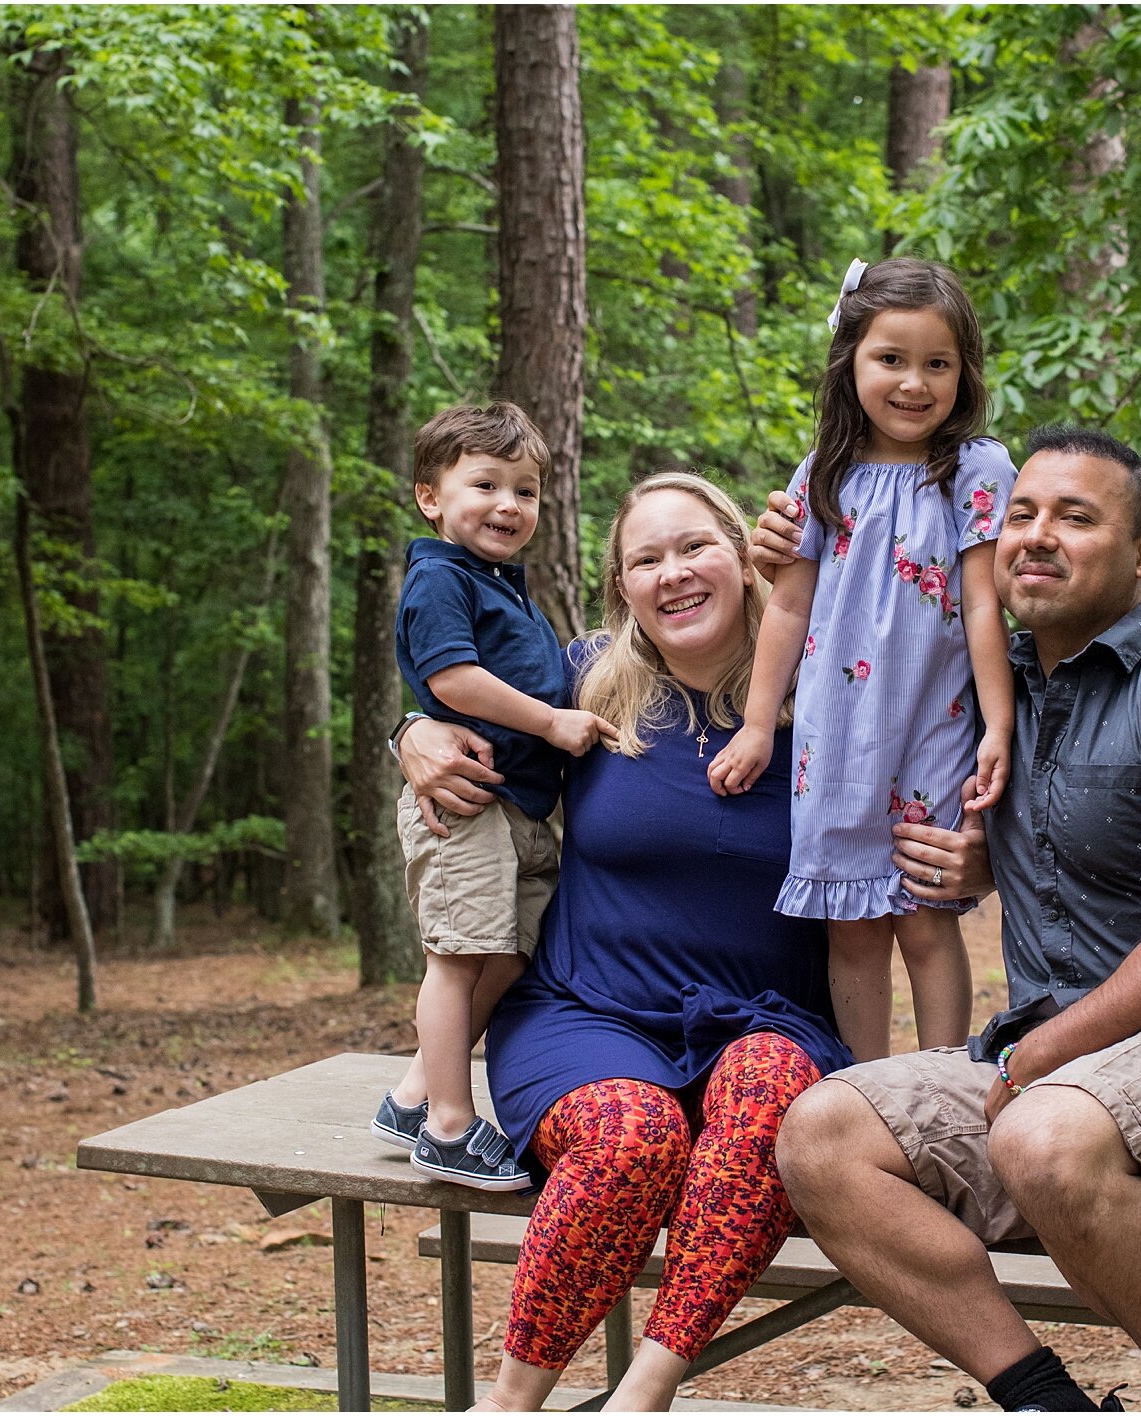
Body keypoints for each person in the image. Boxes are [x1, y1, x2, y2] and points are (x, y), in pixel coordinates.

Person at [765, 425, 1141, 1413]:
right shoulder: (993, 700)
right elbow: (822, 641)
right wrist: (771, 553)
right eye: (1021, 514)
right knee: (821, 1132)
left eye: (1076, 518)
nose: (1036, 536)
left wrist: (1033, 1059)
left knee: (1040, 1137)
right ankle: (1044, 1400)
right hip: (1061, 1070)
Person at [397, 472, 981, 1411]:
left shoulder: (834, 695)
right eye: (645, 559)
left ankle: (646, 1392)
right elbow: (457, 700)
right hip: (587, 1013)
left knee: (762, 1102)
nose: (673, 573)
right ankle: (508, 1403)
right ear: (622, 586)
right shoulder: (584, 683)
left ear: (745, 557)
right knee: (632, 1140)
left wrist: (975, 855)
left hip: (774, 1019)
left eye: (694, 546)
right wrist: (410, 731)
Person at [708, 257, 1018, 1063]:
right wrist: (756, 728)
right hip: (833, 737)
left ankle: (943, 1084)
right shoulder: (824, 474)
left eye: (937, 364)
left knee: (924, 916)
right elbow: (787, 604)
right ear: (851, 361)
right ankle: (868, 1093)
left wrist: (1000, 722)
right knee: (852, 931)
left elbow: (985, 603)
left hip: (931, 726)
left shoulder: (976, 470)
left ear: (964, 374)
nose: (914, 383)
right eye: (892, 359)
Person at [375, 401, 616, 1192]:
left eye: (527, 490)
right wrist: (552, 722)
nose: (510, 505)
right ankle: (448, 1125)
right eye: (485, 484)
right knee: (458, 957)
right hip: (471, 803)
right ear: (430, 497)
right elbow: (452, 679)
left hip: (517, 809)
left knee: (510, 953)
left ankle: (413, 1094)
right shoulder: (440, 577)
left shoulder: (504, 588)